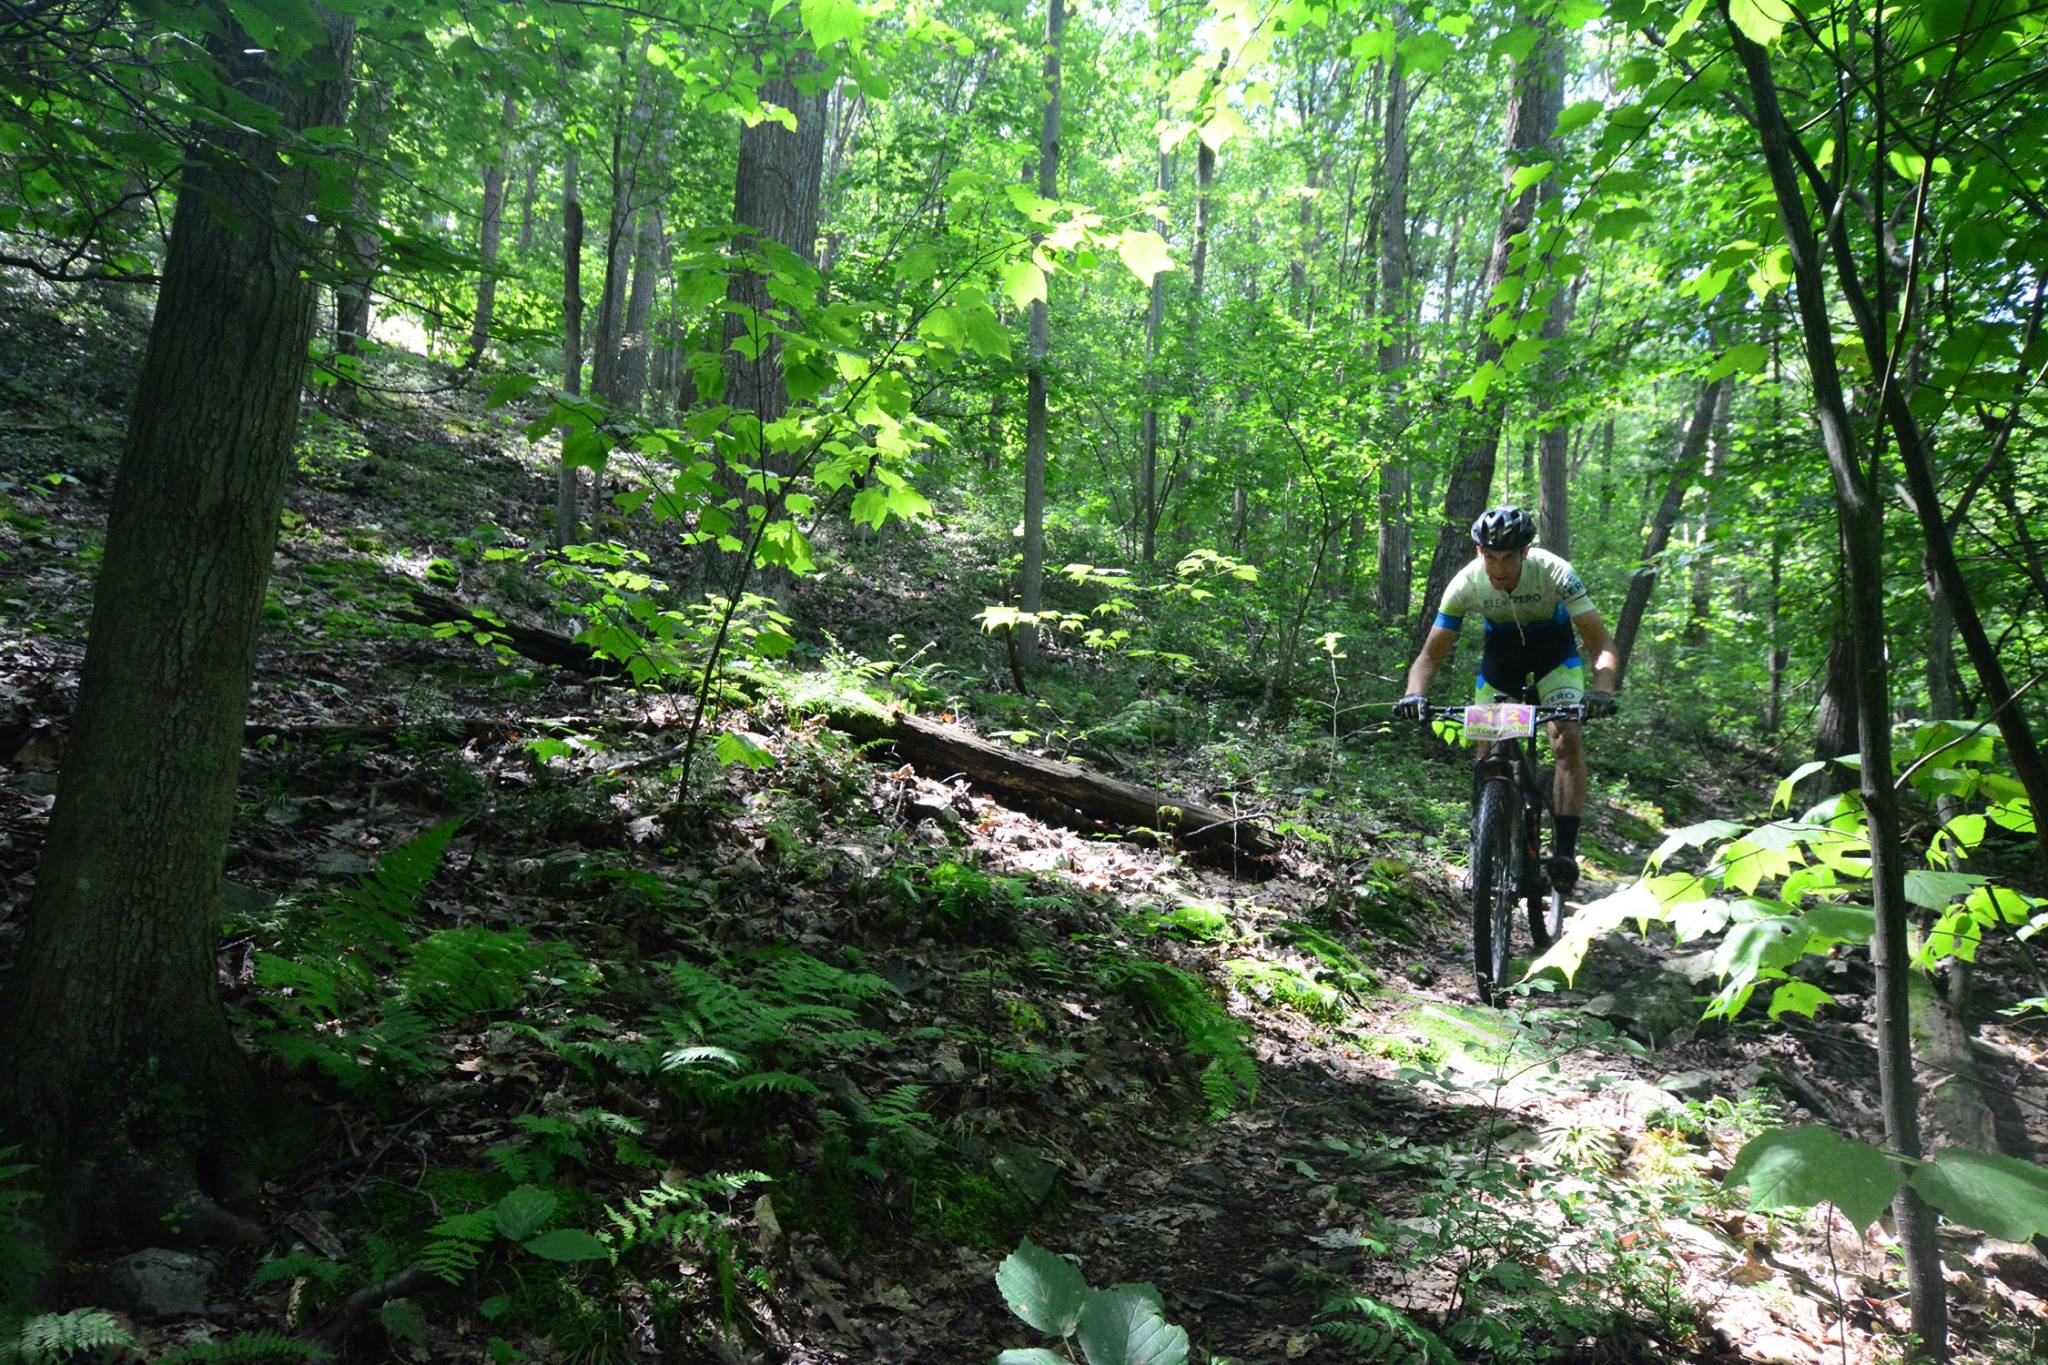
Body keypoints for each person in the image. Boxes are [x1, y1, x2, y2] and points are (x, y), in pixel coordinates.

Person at [1393, 506, 1619, 893]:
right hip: (1502, 660)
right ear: (1479, 552)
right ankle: (1489, 847)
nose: (1498, 568)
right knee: (1489, 751)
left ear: (1525, 552)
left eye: (1508, 557)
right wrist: (1414, 695)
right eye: (1490, 557)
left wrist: (1602, 691)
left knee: (1566, 735)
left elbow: (1601, 646)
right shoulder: (1465, 583)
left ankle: (1564, 851)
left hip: (1554, 656)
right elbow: (1429, 656)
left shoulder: (1556, 572)